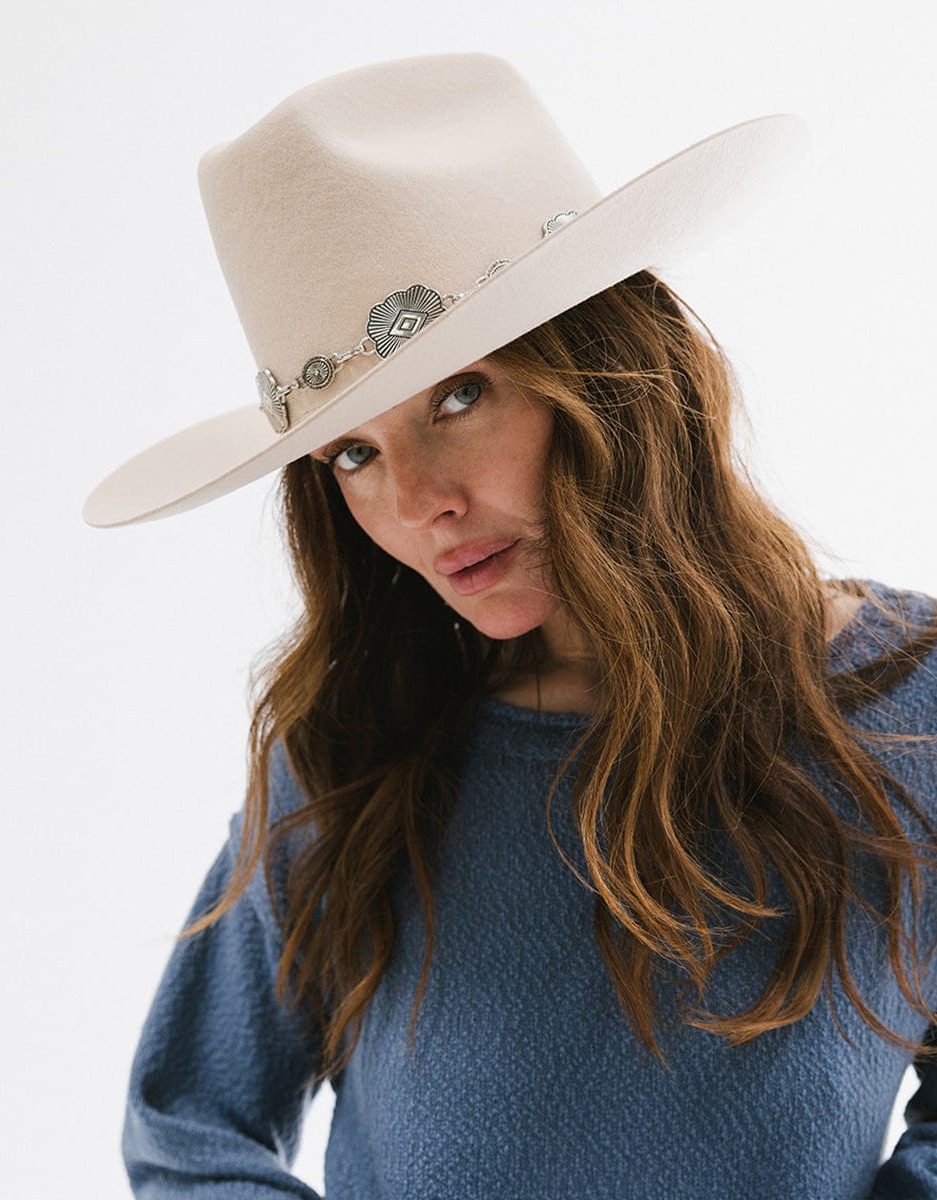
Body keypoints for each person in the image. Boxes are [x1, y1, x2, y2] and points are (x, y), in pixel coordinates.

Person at [83, 53, 937, 1200]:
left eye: (458, 394)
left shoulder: (907, 704)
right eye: (353, 452)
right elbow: (189, 1124)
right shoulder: (355, 752)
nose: (417, 503)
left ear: (615, 371)